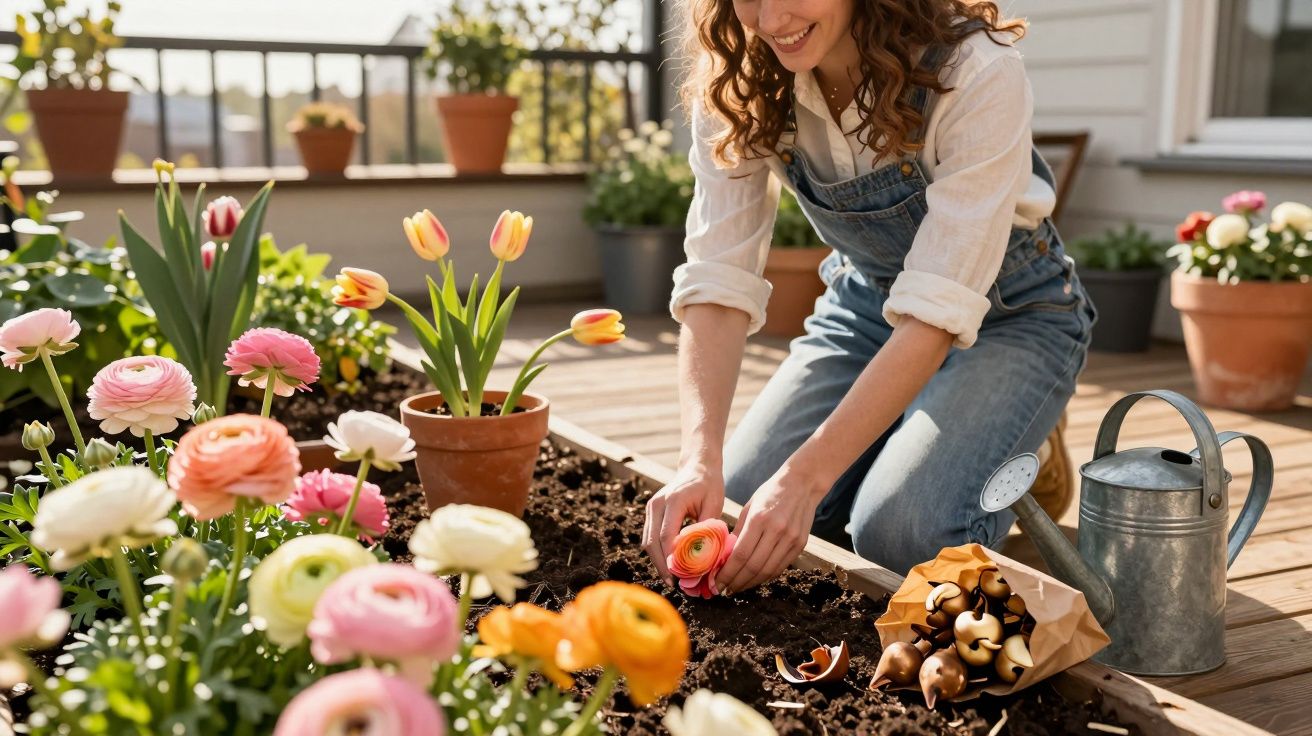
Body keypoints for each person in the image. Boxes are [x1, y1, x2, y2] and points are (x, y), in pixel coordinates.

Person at [642, 0, 1096, 595]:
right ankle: (916, 437)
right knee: (741, 504)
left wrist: (806, 479)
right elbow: (718, 279)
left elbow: (934, 315)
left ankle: (1011, 438)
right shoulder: (741, 77)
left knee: (900, 533)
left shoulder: (975, 68)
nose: (771, 19)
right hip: (867, 305)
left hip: (1012, 314)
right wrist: (697, 460)